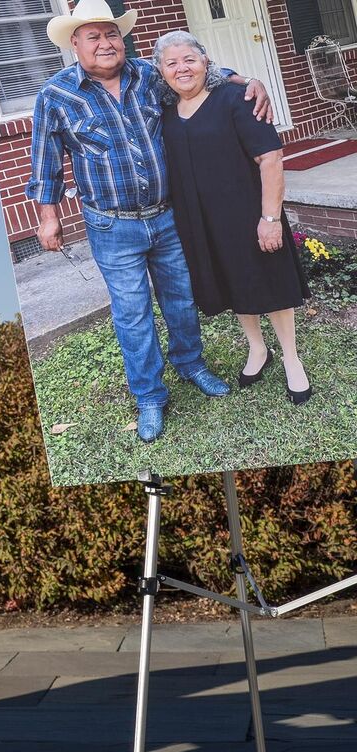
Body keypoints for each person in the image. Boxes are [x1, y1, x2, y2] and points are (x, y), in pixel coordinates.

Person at [29, 0, 270, 442]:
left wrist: (246, 79)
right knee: (133, 313)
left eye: (111, 34)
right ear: (74, 44)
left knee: (180, 298)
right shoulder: (56, 96)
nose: (105, 43)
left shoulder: (146, 75)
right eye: (93, 36)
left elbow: (195, 71)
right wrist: (48, 218)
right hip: (111, 226)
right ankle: (150, 396)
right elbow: (46, 165)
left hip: (165, 217)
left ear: (122, 40)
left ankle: (191, 364)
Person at [156, 31, 313, 405]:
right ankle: (257, 349)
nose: (182, 68)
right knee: (232, 282)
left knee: (270, 283)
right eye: (171, 63)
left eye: (189, 59)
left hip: (249, 214)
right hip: (202, 220)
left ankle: (291, 358)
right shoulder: (165, 112)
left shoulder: (237, 99)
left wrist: (270, 218)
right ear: (160, 72)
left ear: (206, 61)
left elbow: (271, 158)